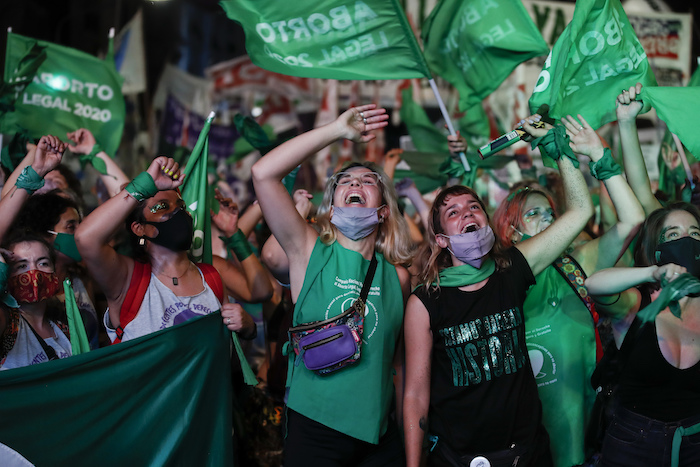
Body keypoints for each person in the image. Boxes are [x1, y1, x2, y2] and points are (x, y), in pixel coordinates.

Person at [403, 114, 595, 467]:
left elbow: (581, 211)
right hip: (459, 456)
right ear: (442, 239)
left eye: (474, 206)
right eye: (453, 211)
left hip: (527, 451)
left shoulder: (512, 269)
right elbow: (415, 394)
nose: (467, 213)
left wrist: (558, 151)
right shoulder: (425, 302)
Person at [251, 104, 413, 466]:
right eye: (345, 181)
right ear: (331, 204)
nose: (355, 183)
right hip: (316, 429)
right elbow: (263, 174)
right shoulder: (307, 249)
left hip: (379, 435)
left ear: (383, 210)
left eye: (368, 181)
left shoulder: (398, 277)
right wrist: (337, 130)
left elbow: (398, 365)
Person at [491, 115, 645, 466]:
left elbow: (632, 221)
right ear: (511, 233)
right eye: (533, 214)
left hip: (589, 436)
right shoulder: (502, 277)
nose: (547, 218)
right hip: (524, 443)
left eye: (551, 212)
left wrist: (598, 158)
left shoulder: (577, 262)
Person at [73, 155, 256, 343]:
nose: (177, 212)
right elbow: (85, 238)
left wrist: (248, 327)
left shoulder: (211, 277)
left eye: (181, 206)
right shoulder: (127, 280)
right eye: (162, 207)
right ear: (139, 228)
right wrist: (145, 184)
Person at [585, 202, 700, 466]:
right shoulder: (635, 304)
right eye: (673, 234)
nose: (687, 240)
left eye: (695, 234)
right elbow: (593, 284)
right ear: (656, 251)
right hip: (632, 445)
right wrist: (652, 273)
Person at [0, 135, 73, 369]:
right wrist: (36, 171)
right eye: (21, 266)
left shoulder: (64, 326)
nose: (33, 273)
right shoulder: (7, 326)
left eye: (42, 263)